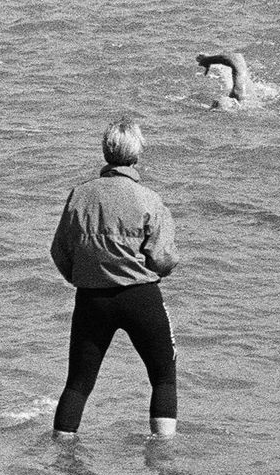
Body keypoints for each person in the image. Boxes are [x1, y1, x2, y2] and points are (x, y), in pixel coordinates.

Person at [49, 118, 181, 438]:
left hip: (91, 299)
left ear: (106, 151)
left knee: (78, 383)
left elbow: (59, 251)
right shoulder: (148, 198)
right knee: (163, 377)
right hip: (141, 297)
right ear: (137, 154)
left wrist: (83, 276)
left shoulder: (79, 195)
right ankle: (163, 457)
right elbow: (164, 258)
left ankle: (61, 455)